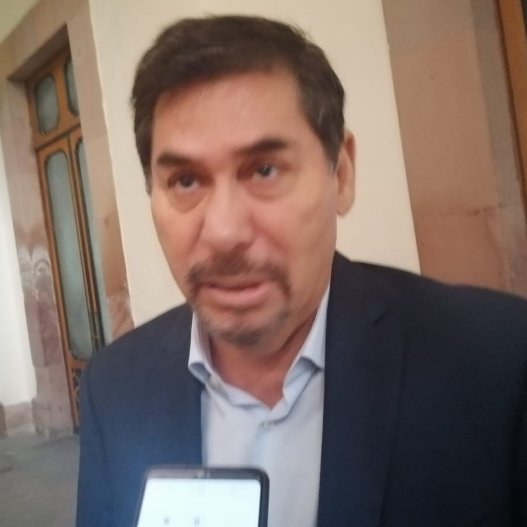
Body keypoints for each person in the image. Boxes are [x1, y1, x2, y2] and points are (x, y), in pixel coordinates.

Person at [76, 15, 527, 527]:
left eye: (264, 170)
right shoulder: (113, 389)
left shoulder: (498, 362)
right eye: (185, 180)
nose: (224, 232)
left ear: (342, 174)